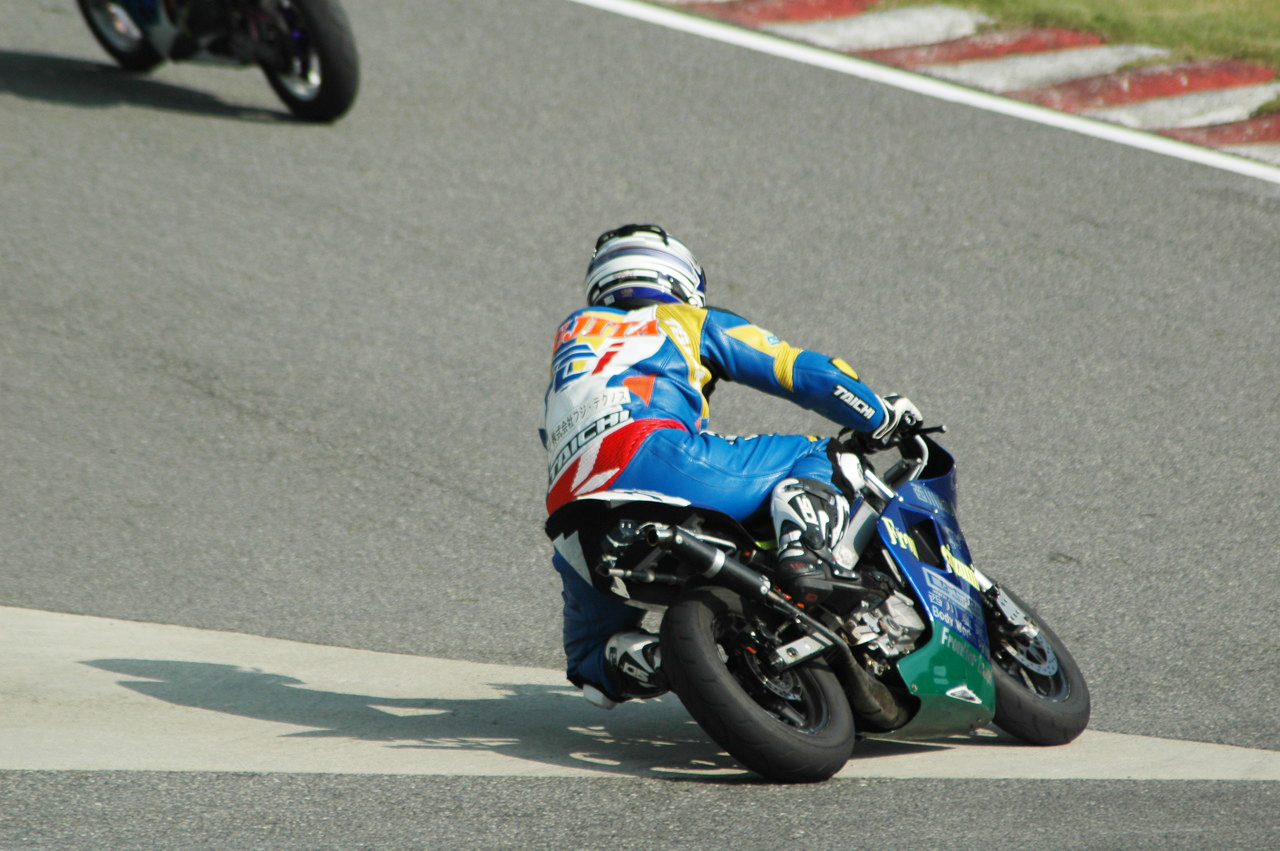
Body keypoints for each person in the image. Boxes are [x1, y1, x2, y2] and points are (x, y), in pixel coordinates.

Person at [541, 224, 920, 709]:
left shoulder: (567, 360)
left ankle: (659, 660)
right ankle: (803, 553)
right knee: (822, 452)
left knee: (588, 659)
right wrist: (878, 416)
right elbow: (802, 371)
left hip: (575, 512)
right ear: (680, 278)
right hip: (660, 456)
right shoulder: (680, 318)